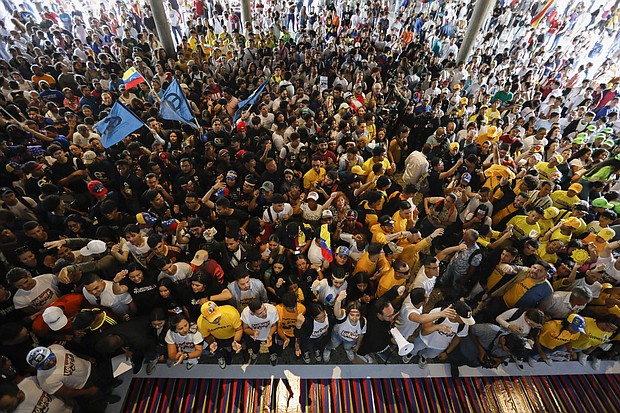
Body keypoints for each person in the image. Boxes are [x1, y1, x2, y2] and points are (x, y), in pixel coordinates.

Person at [26, 345, 120, 412]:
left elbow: (71, 352)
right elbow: (67, 392)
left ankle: (109, 385)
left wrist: (86, 358)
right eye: (46, 364)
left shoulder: (55, 347)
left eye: (50, 358)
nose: (52, 362)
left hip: (90, 368)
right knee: (97, 394)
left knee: (105, 380)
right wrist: (87, 391)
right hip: (84, 385)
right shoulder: (46, 381)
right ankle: (106, 397)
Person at [410, 302, 475, 369]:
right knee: (415, 348)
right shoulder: (438, 312)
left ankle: (423, 356)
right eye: (464, 319)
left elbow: (458, 338)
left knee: (430, 355)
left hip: (440, 346)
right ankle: (411, 353)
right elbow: (425, 329)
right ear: (455, 314)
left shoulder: (464, 324)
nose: (465, 322)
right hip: (425, 338)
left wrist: (447, 352)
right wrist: (437, 327)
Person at [196, 301, 243, 369]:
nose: (216, 320)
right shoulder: (200, 323)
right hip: (218, 338)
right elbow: (206, 336)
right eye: (213, 319)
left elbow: (239, 329)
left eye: (217, 316)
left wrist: (236, 341)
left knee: (241, 347)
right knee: (228, 349)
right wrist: (212, 342)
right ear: (205, 318)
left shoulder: (231, 313)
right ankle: (228, 353)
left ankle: (241, 355)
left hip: (234, 334)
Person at [241, 298, 280, 365]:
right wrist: (253, 332)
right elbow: (245, 328)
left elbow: (274, 325)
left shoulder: (272, 309)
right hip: (254, 337)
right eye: (260, 313)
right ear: (252, 313)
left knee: (272, 347)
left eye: (264, 309)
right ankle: (255, 353)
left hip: (269, 333)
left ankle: (272, 354)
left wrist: (270, 335)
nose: (265, 313)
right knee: (255, 347)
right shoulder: (245, 314)